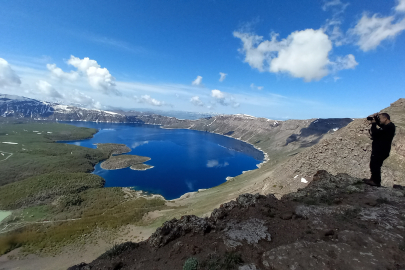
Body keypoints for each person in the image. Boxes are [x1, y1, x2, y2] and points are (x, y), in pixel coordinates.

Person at [363, 113, 395, 187]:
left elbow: (374, 133)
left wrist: (374, 124)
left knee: (375, 165)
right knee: (374, 164)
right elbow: (381, 127)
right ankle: (373, 179)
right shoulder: (389, 126)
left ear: (385, 118)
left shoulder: (389, 127)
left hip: (381, 150)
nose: (379, 120)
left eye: (380, 118)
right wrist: (376, 120)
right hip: (380, 149)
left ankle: (376, 182)